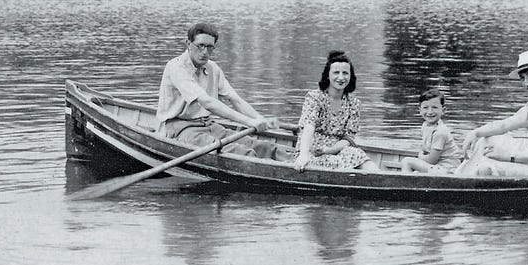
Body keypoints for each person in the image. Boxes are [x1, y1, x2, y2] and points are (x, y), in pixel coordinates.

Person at [156, 22, 281, 157]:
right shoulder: (176, 67)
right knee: (243, 153)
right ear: (188, 44)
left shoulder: (212, 68)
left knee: (264, 147)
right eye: (201, 46)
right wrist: (250, 122)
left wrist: (259, 118)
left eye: (210, 47)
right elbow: (207, 102)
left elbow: (235, 100)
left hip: (208, 125)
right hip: (180, 129)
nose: (205, 52)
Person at [293, 50, 380, 172]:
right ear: (328, 75)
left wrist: (330, 150)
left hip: (336, 150)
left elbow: (348, 139)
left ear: (351, 76)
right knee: (336, 162)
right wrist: (303, 155)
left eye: (345, 73)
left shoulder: (354, 104)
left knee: (356, 153)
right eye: (336, 73)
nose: (341, 77)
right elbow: (308, 127)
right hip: (311, 152)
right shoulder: (314, 98)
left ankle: (382, 178)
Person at [400, 89, 463, 174]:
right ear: (420, 110)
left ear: (443, 110)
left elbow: (431, 161)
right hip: (437, 167)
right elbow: (426, 148)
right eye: (425, 108)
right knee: (415, 170)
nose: (430, 112)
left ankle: (405, 185)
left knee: (407, 161)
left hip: (447, 170)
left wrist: (420, 156)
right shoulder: (425, 125)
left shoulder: (440, 132)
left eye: (435, 107)